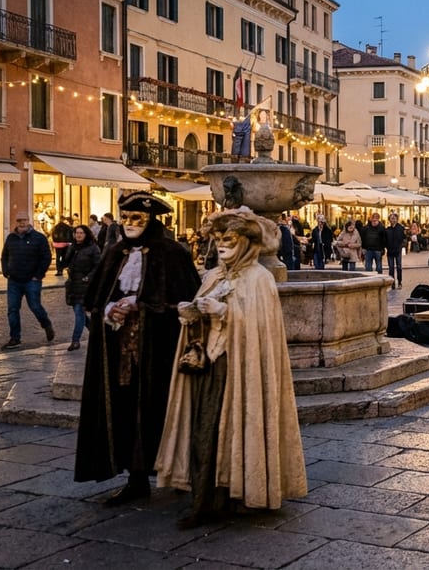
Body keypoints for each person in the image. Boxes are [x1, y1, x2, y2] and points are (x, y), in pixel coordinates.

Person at [155, 207, 306, 528]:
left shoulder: (259, 279)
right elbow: (200, 317)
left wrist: (225, 312)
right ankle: (205, 499)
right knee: (204, 430)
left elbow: (259, 329)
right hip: (208, 367)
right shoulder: (213, 276)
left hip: (241, 371)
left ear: (247, 243)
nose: (222, 245)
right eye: (218, 239)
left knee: (237, 426)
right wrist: (191, 313)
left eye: (230, 239)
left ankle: (235, 494)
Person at [74, 192, 201, 505]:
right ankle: (135, 477)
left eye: (137, 219)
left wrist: (141, 306)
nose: (130, 224)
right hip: (118, 352)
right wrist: (108, 311)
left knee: (160, 407)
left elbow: (186, 303)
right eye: (126, 218)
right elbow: (96, 297)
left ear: (150, 220)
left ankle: (176, 471)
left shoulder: (172, 254)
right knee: (124, 408)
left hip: (159, 352)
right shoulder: (114, 253)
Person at [0, 212, 55, 349]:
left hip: (32, 280)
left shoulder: (39, 238)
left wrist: (38, 275)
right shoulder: (11, 238)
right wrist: (6, 271)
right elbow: (4, 255)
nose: (21, 223)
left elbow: (46, 257)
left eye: (24, 220)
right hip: (14, 280)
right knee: (12, 309)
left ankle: (46, 324)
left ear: (28, 221)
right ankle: (15, 338)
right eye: (19, 220)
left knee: (35, 306)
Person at [62, 225, 100, 352]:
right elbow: (66, 261)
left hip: (85, 285)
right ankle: (96, 334)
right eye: (76, 233)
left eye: (81, 233)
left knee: (79, 312)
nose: (78, 235)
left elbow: (98, 266)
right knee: (81, 314)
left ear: (86, 234)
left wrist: (88, 277)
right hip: (73, 285)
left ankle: (75, 340)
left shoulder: (93, 248)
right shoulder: (73, 247)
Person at [385, 213, 406, 289]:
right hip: (390, 251)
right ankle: (392, 283)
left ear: (397, 219)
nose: (393, 220)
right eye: (391, 218)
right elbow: (385, 240)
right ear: (389, 220)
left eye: (394, 218)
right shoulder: (387, 229)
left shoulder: (400, 228)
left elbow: (404, 238)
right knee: (391, 268)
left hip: (397, 250)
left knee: (399, 266)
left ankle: (399, 282)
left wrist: (400, 245)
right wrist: (386, 247)